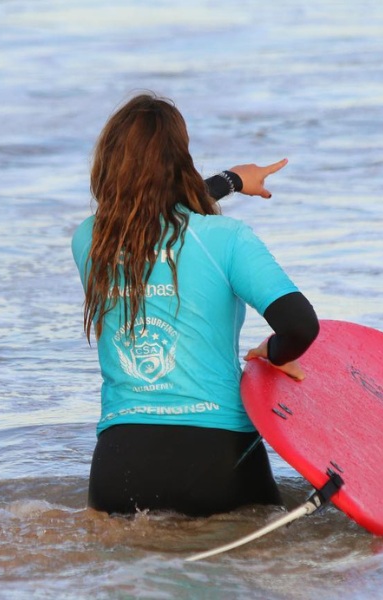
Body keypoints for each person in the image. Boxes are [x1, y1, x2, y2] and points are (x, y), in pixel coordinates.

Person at [71, 93, 319, 517]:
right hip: (218, 463)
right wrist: (274, 354)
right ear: (180, 161)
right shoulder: (228, 239)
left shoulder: (92, 240)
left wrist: (230, 181)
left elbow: (147, 213)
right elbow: (300, 325)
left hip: (119, 467)